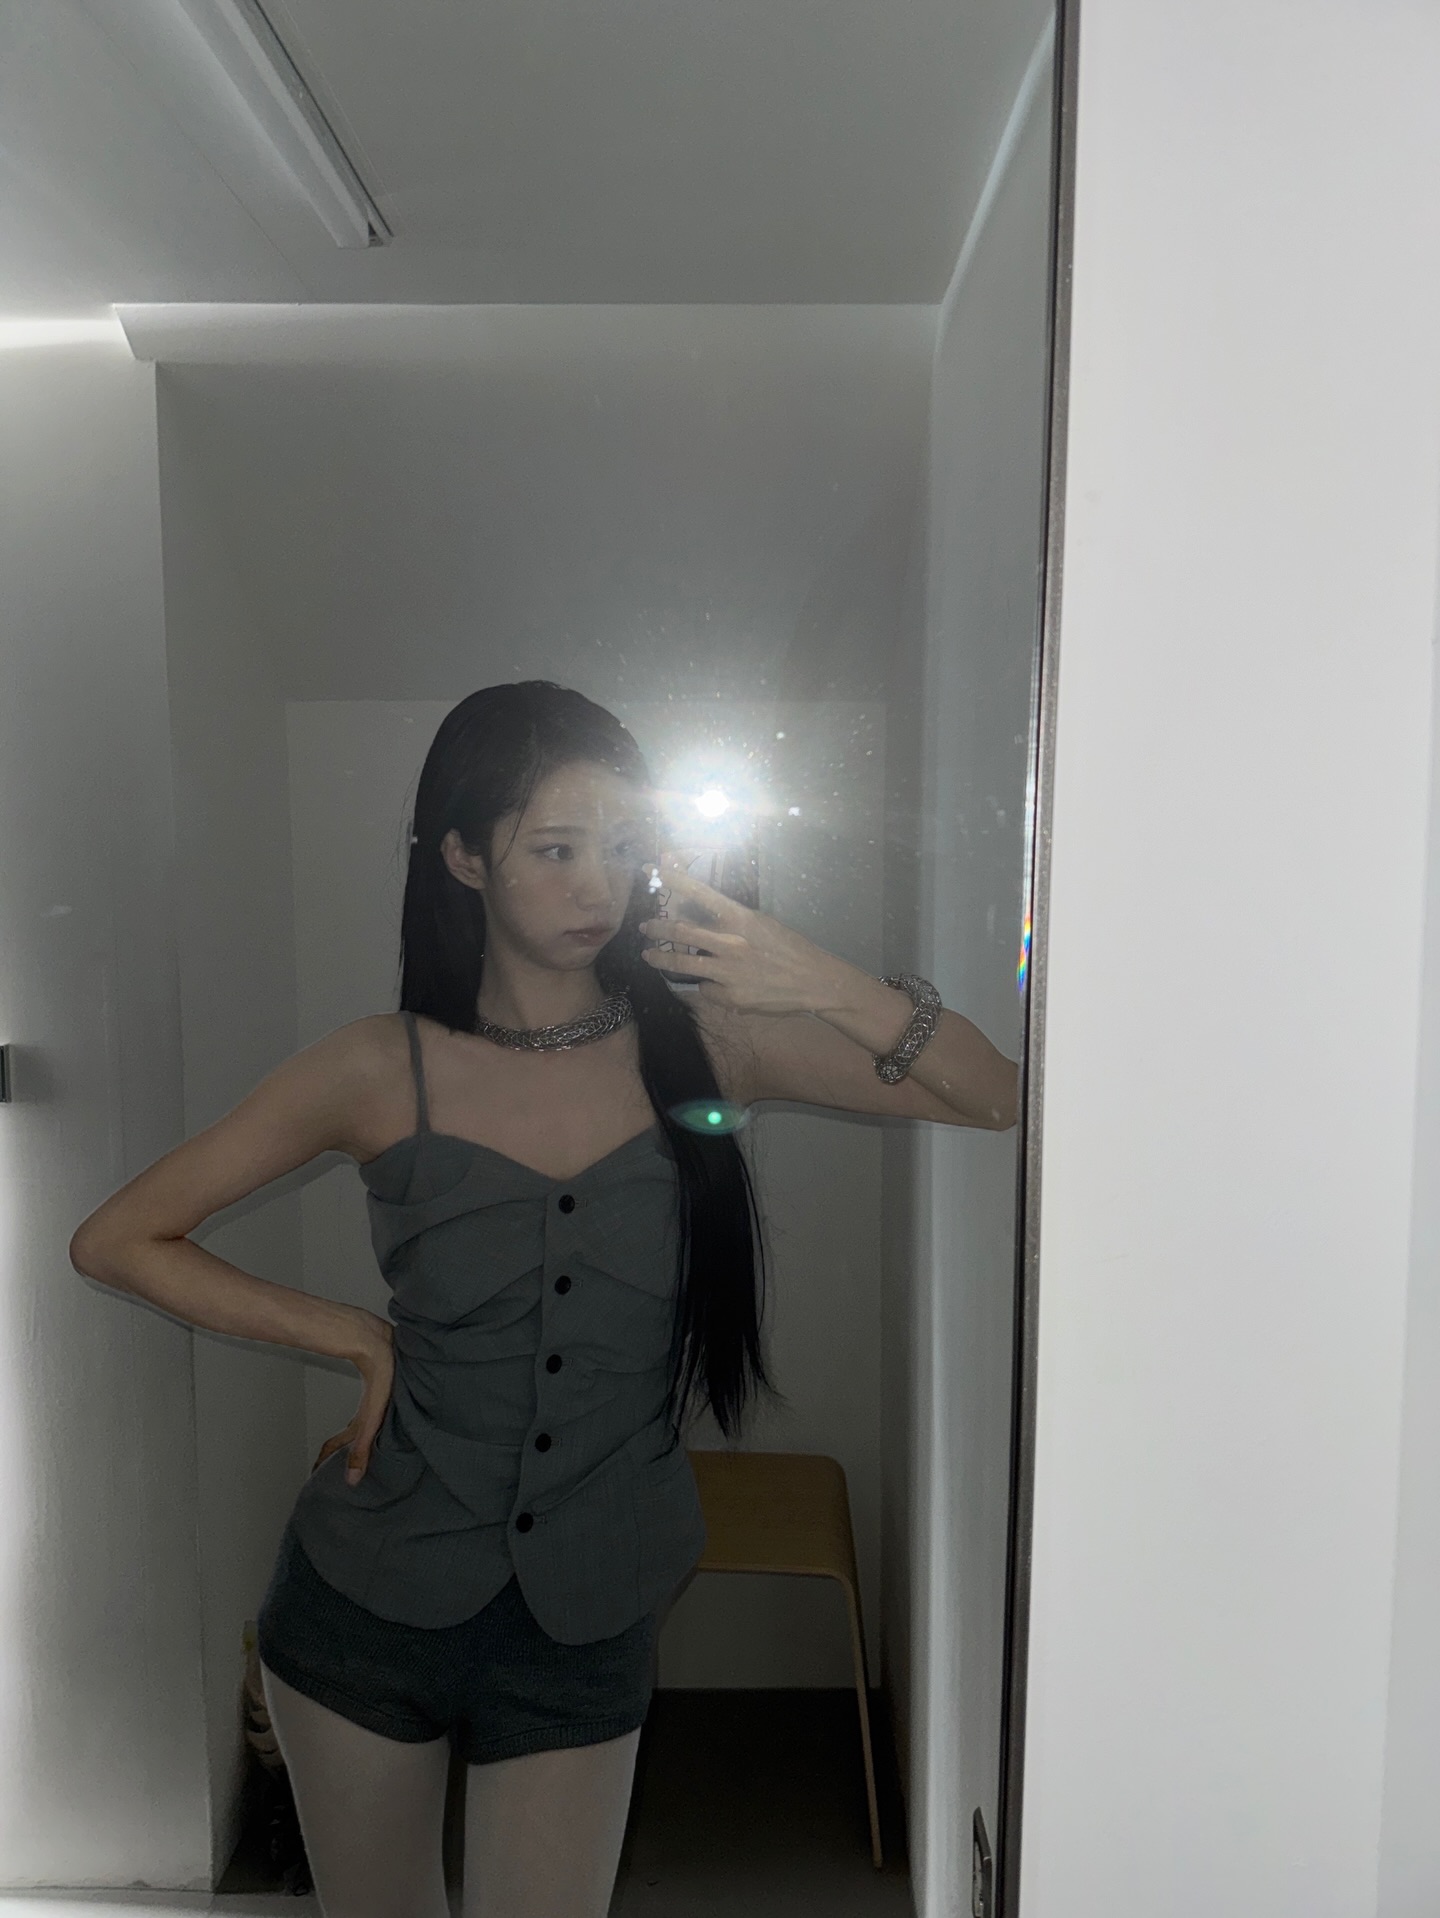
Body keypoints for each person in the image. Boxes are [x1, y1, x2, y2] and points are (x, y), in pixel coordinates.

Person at [69, 681, 1017, 1918]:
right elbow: (118, 1237)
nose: (598, 887)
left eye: (622, 847)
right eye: (557, 850)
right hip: (363, 1604)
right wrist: (348, 1333)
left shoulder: (708, 1043)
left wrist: (816, 975)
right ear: (464, 856)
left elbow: (996, 1093)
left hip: (591, 1611)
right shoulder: (375, 1066)